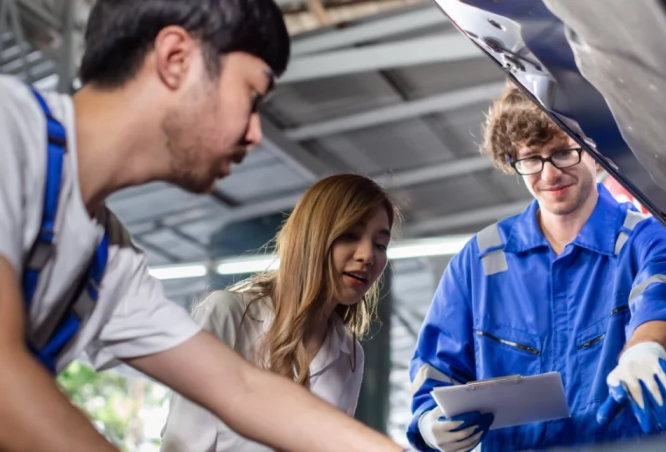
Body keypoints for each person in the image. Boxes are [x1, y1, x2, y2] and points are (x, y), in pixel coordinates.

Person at [0, 1, 406, 451]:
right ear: (176, 58)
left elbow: (240, 388)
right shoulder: (10, 130)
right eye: (252, 97)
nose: (255, 133)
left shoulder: (107, 260)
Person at [406, 81, 666, 452]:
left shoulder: (646, 240)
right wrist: (427, 420)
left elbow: (661, 295)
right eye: (531, 158)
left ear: (595, 150)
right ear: (511, 158)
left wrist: (644, 350)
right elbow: (436, 366)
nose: (549, 175)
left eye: (564, 153)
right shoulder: (479, 261)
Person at [160, 174, 398, 451]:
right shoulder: (227, 316)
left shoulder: (350, 356)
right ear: (313, 238)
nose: (368, 255)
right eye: (350, 235)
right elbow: (182, 445)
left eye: (380, 245)